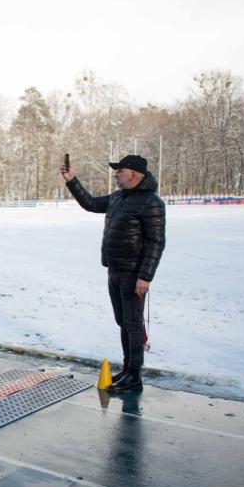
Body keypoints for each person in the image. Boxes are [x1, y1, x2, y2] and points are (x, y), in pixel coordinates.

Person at [61, 155, 166, 392]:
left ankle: (134, 376)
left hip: (133, 274)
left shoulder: (151, 202)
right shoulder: (119, 197)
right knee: (123, 322)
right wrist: (72, 180)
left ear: (133, 174)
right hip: (115, 270)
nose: (116, 174)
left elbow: (156, 242)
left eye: (120, 171)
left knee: (133, 324)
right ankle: (128, 369)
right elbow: (90, 203)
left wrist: (145, 277)